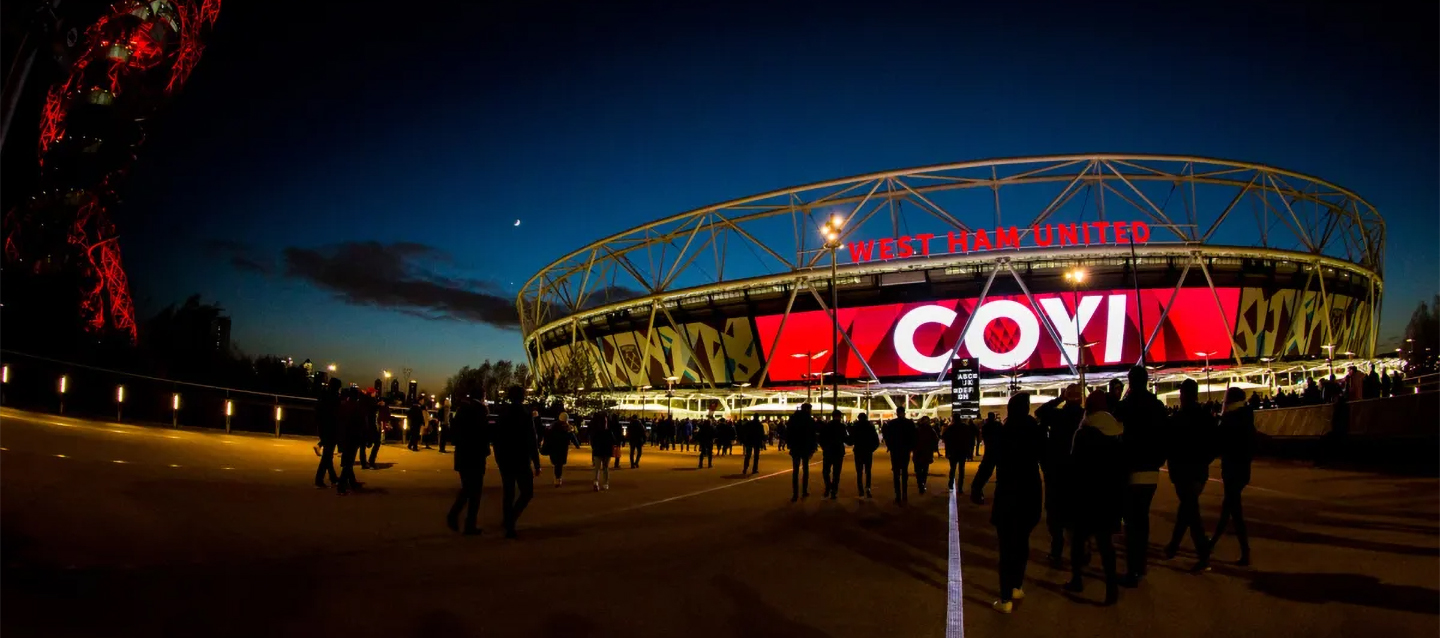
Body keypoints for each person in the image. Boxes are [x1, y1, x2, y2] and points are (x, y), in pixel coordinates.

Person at [1065, 389, 1125, 606]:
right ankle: (1111, 588)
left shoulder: (1083, 433)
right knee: (1106, 544)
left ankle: (1077, 579)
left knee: (1078, 540)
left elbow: (1074, 467)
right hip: (1108, 495)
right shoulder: (1116, 432)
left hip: (1086, 495)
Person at [989, 393, 1045, 614]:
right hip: (1030, 492)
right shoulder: (1035, 431)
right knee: (1022, 542)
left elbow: (990, 460)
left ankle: (1005, 599)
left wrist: (977, 486)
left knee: (1006, 548)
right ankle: (1017, 587)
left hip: (1008, 494)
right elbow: (1047, 458)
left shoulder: (1005, 432)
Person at [1116, 366, 1168, 588]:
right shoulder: (1157, 405)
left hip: (1131, 469)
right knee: (1143, 519)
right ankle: (1141, 564)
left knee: (1131, 521)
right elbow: (1165, 436)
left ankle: (1133, 569)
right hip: (1152, 471)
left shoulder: (1127, 406)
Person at [1164, 379, 1215, 571]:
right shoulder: (1206, 417)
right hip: (1198, 472)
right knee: (1187, 508)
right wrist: (1203, 461)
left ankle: (1203, 554)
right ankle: (1173, 547)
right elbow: (1213, 445)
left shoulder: (1177, 419)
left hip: (1182, 472)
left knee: (1190, 511)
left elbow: (1169, 445)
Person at [1036, 384, 1083, 566]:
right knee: (1076, 515)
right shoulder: (1085, 416)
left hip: (1056, 472)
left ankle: (1056, 551)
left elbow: (1040, 411)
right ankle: (1080, 552)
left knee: (1055, 514)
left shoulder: (1057, 415)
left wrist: (1059, 399)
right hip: (1077, 473)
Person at [1210, 386, 1256, 566]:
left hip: (1232, 470)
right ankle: (1212, 542)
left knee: (1233, 511)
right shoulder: (1246, 417)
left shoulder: (1230, 420)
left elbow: (1218, 444)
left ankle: (1245, 552)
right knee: (1228, 508)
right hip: (1243, 470)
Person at [494, 386, 542, 539]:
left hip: (506, 459)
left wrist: (499, 458)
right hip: (521, 459)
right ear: (522, 397)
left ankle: (508, 523)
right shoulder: (525, 414)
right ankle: (511, 520)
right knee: (527, 492)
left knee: (508, 492)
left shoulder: (503, 413)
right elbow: (531, 440)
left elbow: (497, 438)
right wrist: (537, 462)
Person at [446, 397, 490, 535]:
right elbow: (483, 435)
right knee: (474, 492)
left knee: (468, 488)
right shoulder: (479, 412)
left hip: (463, 456)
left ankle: (462, 520)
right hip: (475, 457)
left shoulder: (462, 411)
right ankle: (465, 521)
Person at [881, 406, 917, 505]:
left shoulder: (891, 423)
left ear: (897, 413)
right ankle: (904, 494)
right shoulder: (909, 423)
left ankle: (897, 495)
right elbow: (914, 436)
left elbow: (887, 436)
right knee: (904, 471)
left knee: (896, 473)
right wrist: (911, 447)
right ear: (904, 412)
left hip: (895, 450)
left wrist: (890, 446)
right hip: (905, 450)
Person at [335, 387, 368, 495]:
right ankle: (341, 487)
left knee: (347, 461)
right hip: (353, 437)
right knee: (349, 463)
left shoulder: (343, 406)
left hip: (344, 437)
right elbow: (362, 424)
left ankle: (352, 482)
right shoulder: (357, 408)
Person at [786, 404, 818, 501]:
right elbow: (813, 436)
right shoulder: (810, 420)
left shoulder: (793, 418)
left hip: (796, 447)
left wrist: (790, 445)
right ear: (808, 409)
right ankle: (804, 490)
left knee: (795, 470)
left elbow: (789, 433)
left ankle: (795, 494)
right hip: (805, 447)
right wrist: (813, 448)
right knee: (805, 469)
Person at [313, 379, 341, 488]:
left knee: (328, 455)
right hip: (331, 428)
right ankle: (319, 480)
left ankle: (333, 477)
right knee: (327, 455)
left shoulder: (323, 396)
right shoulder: (334, 398)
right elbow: (336, 415)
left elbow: (317, 412)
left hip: (322, 427)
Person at [542, 412, 581, 486]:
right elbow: (572, 436)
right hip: (562, 448)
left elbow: (547, 436)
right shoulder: (567, 427)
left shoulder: (553, 426)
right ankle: (558, 478)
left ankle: (557, 477)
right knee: (559, 464)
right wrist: (577, 445)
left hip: (553, 447)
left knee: (556, 463)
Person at [970, 412, 1001, 504]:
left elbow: (984, 436)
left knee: (984, 472)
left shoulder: (986, 426)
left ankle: (976, 490)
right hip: (997, 451)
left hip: (989, 451)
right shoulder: (998, 425)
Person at [818, 411, 850, 499]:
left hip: (828, 451)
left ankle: (828, 487)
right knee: (836, 473)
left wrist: (824, 447)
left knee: (825, 471)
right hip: (838, 452)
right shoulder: (842, 426)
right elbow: (846, 439)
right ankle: (834, 490)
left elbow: (821, 438)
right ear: (839, 417)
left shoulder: (827, 426)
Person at [942, 416, 976, 493]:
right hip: (962, 451)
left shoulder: (951, 428)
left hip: (953, 451)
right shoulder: (965, 427)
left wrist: (947, 450)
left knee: (953, 468)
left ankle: (951, 483)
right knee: (961, 469)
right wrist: (969, 452)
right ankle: (960, 487)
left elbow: (944, 437)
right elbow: (969, 439)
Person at [850, 413, 879, 498]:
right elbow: (876, 440)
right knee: (868, 471)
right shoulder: (870, 427)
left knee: (859, 472)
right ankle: (868, 488)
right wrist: (871, 448)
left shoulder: (856, 427)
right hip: (868, 451)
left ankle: (860, 490)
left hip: (858, 451)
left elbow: (852, 439)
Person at [913, 415, 939, 495]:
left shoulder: (916, 429)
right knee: (924, 470)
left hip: (917, 452)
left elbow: (912, 440)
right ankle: (922, 483)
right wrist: (933, 448)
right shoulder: (930, 430)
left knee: (918, 470)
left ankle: (920, 484)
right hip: (926, 453)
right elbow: (936, 439)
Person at [590, 412, 616, 491]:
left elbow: (592, 441)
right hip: (606, 451)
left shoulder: (596, 431)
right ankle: (605, 483)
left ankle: (596, 482)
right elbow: (613, 441)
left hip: (598, 451)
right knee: (605, 468)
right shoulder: (608, 432)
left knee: (598, 468)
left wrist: (594, 448)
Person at [366, 398, 388, 468]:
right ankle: (371, 461)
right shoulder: (373, 409)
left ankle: (369, 461)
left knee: (375, 443)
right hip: (371, 428)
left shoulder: (374, 409)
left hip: (372, 428)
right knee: (376, 443)